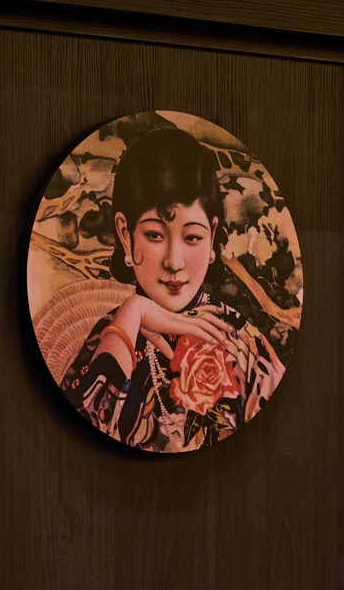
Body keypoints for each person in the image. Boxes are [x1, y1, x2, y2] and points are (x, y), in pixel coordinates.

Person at [57, 125, 280, 452]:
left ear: (213, 235)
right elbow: (78, 430)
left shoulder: (243, 342)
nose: (175, 262)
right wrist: (134, 310)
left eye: (192, 237)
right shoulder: (116, 330)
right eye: (155, 236)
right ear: (124, 234)